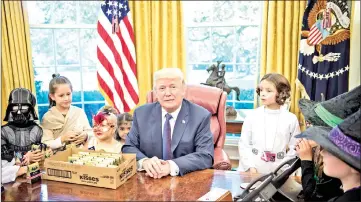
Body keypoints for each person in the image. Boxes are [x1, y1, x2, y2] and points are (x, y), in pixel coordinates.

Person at [122, 67, 214, 178]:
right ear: (155, 92)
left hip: (185, 180)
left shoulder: (200, 116)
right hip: (150, 180)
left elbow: (205, 156)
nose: (167, 93)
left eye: (173, 87)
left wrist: (171, 166)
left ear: (183, 89)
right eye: (162, 88)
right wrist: (145, 161)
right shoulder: (141, 114)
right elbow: (128, 147)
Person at [294, 86, 361, 201]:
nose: (309, 129)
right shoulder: (322, 155)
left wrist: (306, 160)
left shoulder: (336, 165)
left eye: (315, 125)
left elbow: (314, 197)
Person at [237, 73, 301, 174]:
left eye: (269, 91)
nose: (263, 93)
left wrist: (284, 169)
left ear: (281, 93)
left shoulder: (290, 119)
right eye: (261, 90)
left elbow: (295, 147)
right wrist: (250, 167)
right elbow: (244, 144)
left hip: (280, 170)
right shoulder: (252, 116)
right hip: (253, 169)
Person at [1, 88, 45, 183]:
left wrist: (36, 154)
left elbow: (42, 150)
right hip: (11, 184)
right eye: (15, 107)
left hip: (32, 178)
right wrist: (21, 162)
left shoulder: (36, 130)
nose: (19, 112)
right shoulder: (3, 132)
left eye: (24, 108)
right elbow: (6, 159)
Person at [41, 74, 92, 150]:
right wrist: (62, 139)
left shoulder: (79, 112)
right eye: (61, 96)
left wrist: (86, 135)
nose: (66, 98)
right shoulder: (48, 117)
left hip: (79, 155)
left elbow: (90, 132)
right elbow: (46, 143)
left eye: (68, 94)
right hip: (57, 158)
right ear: (52, 96)